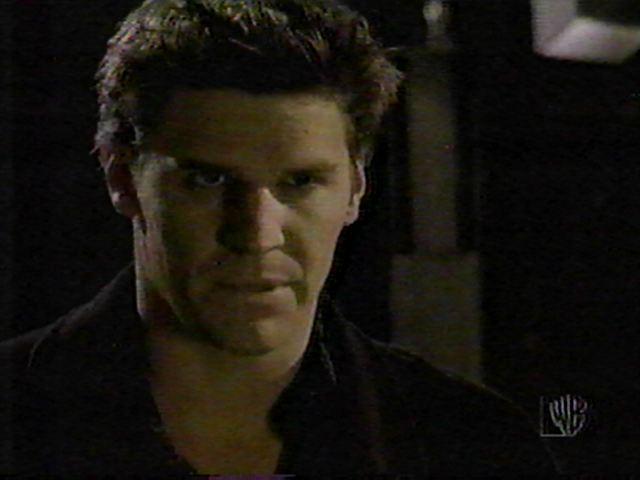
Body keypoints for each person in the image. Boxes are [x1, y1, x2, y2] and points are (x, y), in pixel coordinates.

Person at [1, 0, 558, 475]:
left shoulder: (474, 445)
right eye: (208, 180)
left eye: (300, 182)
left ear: (356, 188)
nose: (256, 235)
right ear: (122, 179)